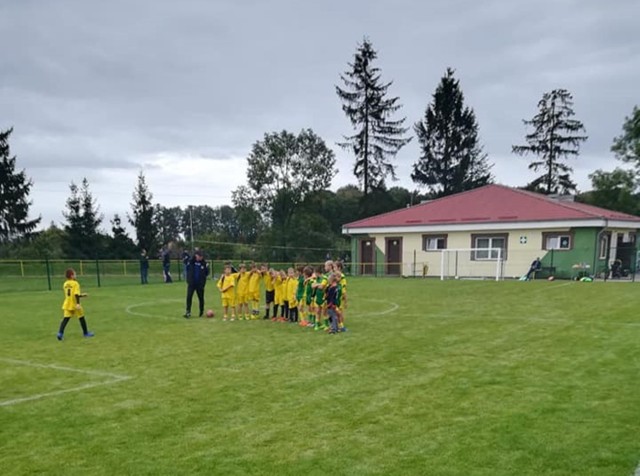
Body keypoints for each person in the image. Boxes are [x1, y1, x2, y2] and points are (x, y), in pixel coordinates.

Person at [57, 268, 94, 340]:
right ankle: (86, 333)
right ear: (71, 276)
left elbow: (71, 294)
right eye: (74, 274)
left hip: (67, 304)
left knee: (65, 319)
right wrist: (78, 304)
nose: (75, 275)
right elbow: (76, 294)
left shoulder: (65, 284)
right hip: (74, 304)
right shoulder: (75, 283)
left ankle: (60, 333)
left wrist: (82, 295)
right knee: (81, 317)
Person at [183, 250, 209, 318]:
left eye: (201, 257)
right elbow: (186, 266)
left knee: (201, 298)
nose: (200, 258)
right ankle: (188, 312)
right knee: (189, 297)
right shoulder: (191, 262)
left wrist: (202, 282)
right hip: (192, 283)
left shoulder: (204, 263)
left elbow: (206, 273)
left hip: (200, 284)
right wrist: (189, 280)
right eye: (199, 256)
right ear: (196, 255)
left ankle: (201, 311)